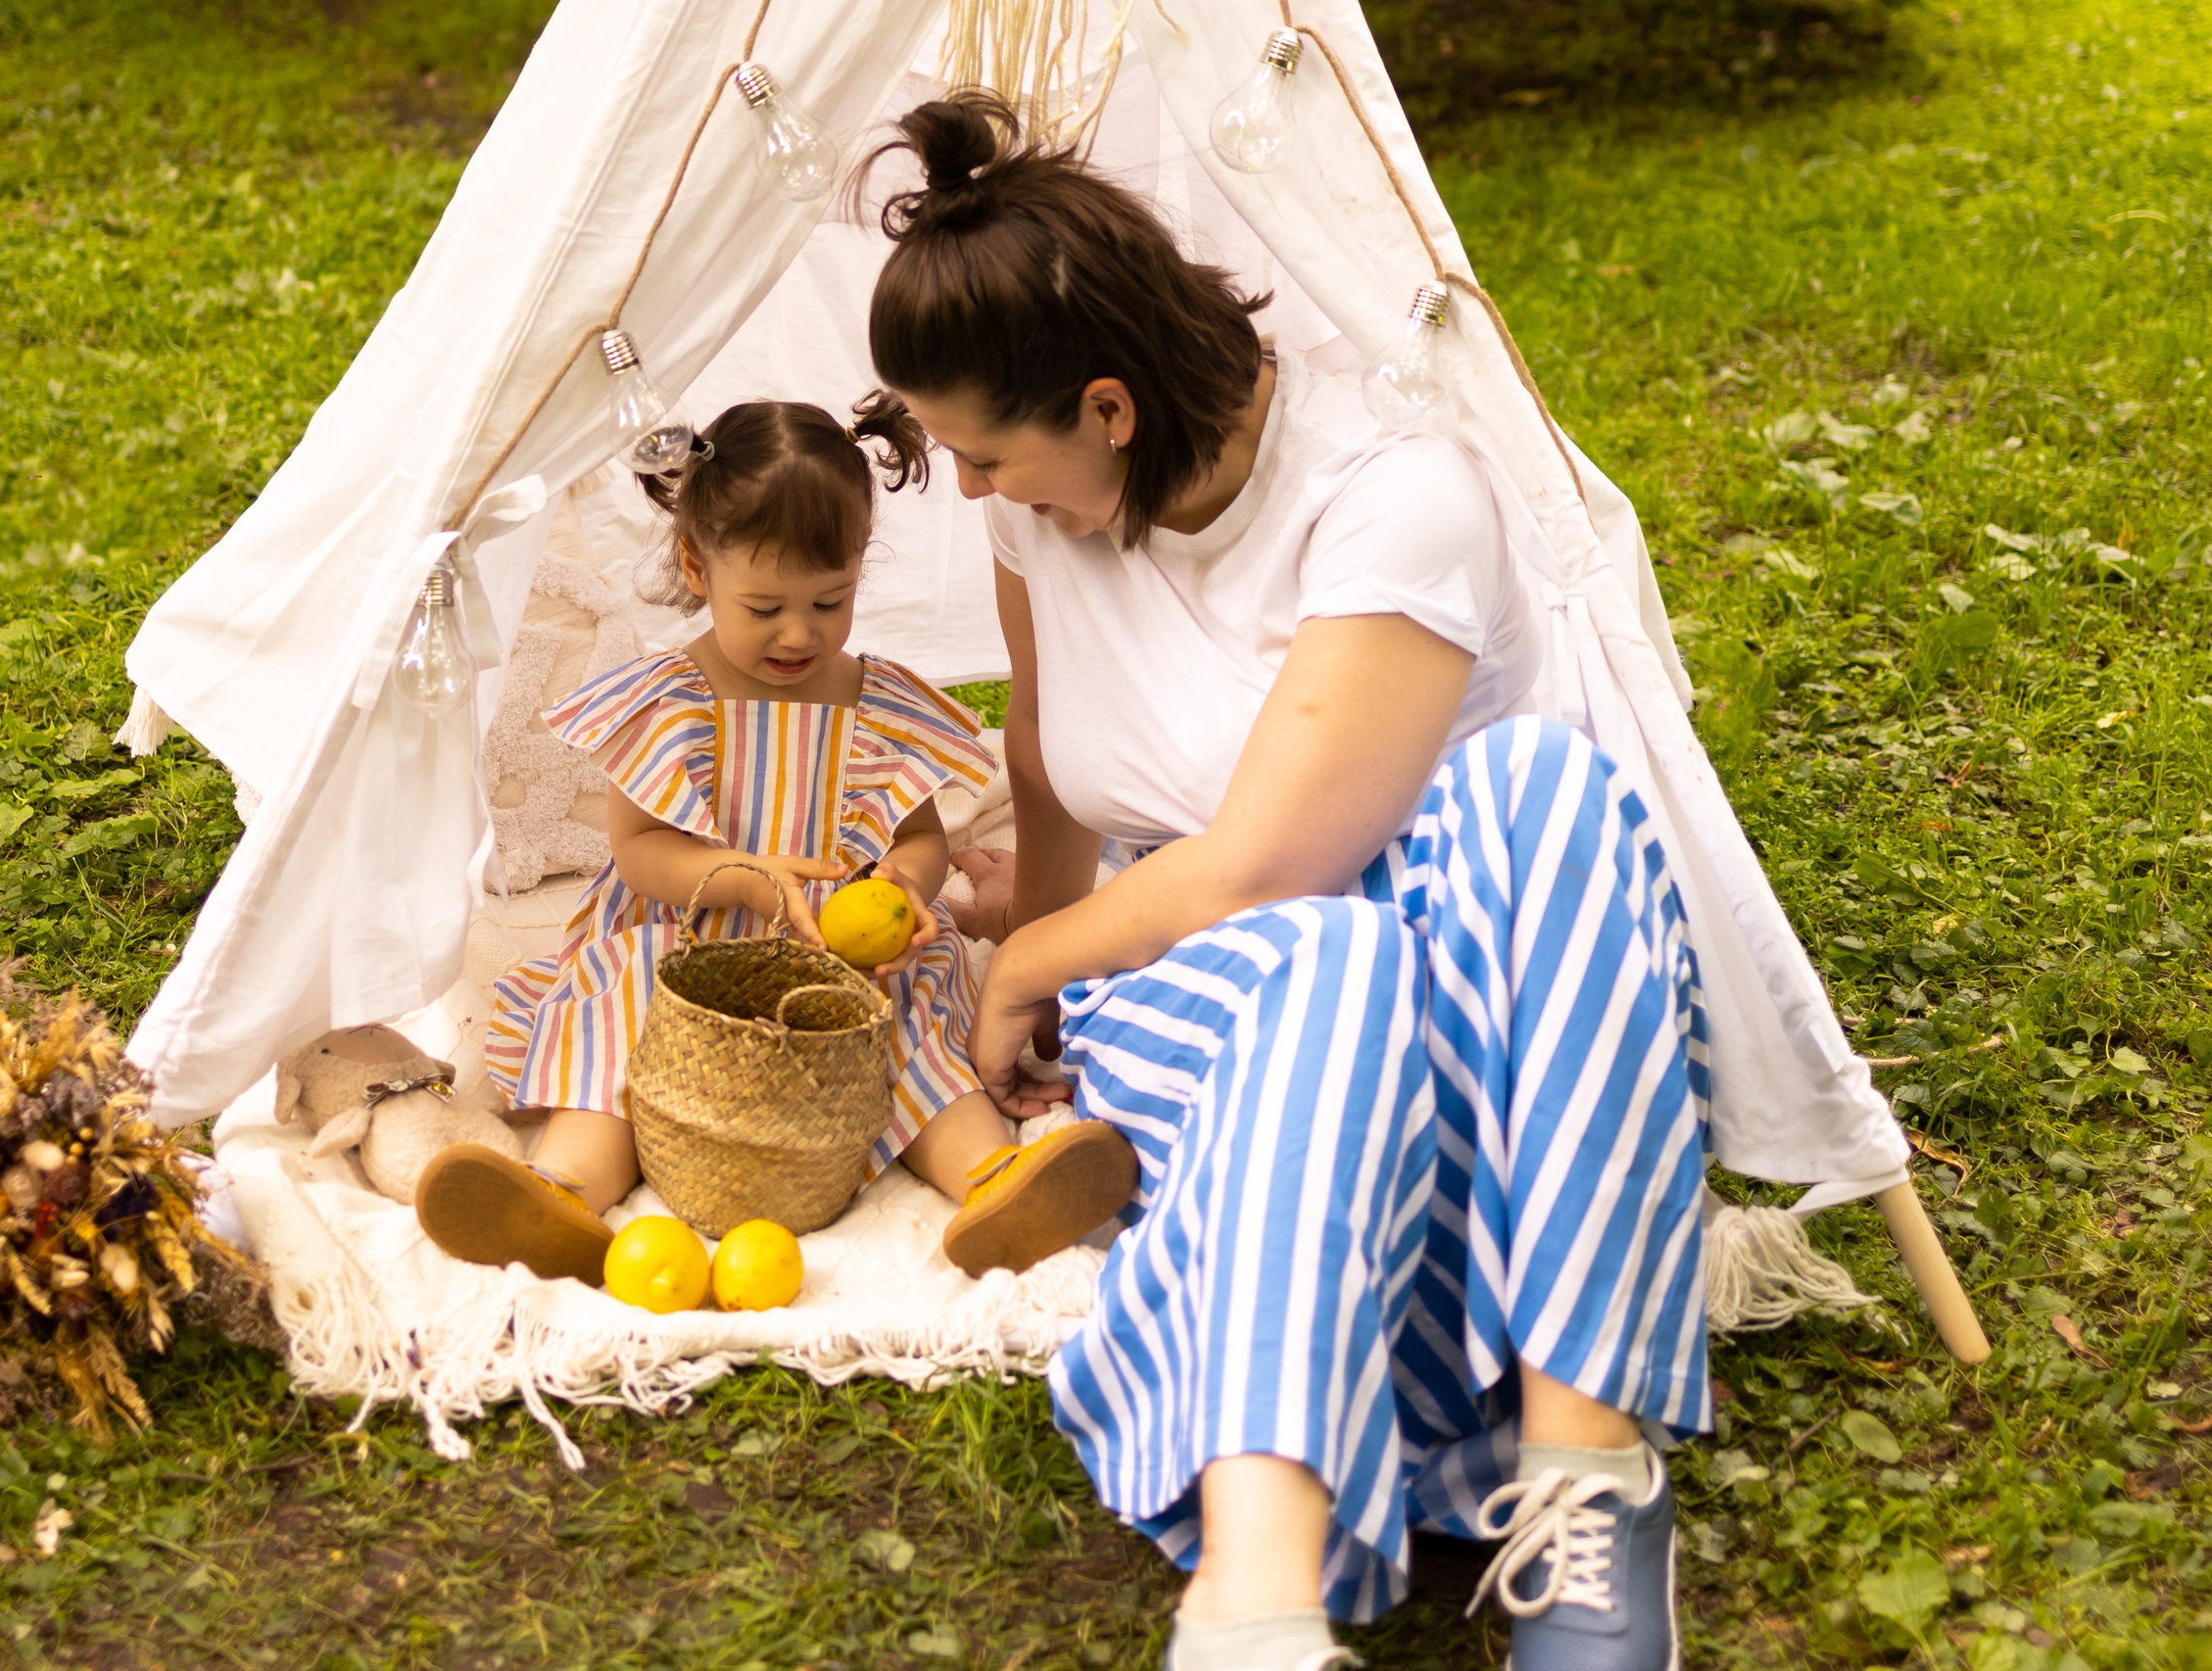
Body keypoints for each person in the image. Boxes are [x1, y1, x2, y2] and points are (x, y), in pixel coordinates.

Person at [867, 95, 1707, 1671]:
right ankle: (1255, 1602)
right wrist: (1032, 957)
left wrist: (1021, 957)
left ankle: (1586, 1477)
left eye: (987, 452)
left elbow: (1267, 860)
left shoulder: (1392, 493)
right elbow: (1048, 770)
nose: (973, 489)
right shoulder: (1046, 524)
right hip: (1248, 1028)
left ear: (1107, 405)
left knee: (1545, 788)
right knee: (1323, 961)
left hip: (1479, 1034)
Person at [413, 394, 1137, 1284]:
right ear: (696, 566)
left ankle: (992, 1179)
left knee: (909, 1013)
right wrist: (745, 877)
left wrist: (907, 887)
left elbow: (920, 839)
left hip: (841, 950)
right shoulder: (669, 699)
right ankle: (560, 1193)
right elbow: (639, 850)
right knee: (621, 1008)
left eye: (828, 602)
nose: (799, 634)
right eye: (764, 608)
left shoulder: (873, 703)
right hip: (690, 934)